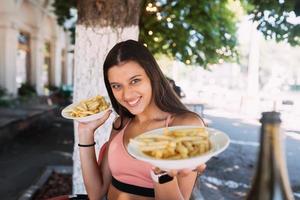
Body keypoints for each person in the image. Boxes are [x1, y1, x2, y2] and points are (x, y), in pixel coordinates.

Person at [52, 40, 206, 200]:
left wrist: (163, 172)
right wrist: (85, 133)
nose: (126, 95)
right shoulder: (122, 123)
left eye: (135, 81)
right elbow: (96, 193)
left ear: (152, 77)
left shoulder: (185, 125)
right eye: (117, 86)